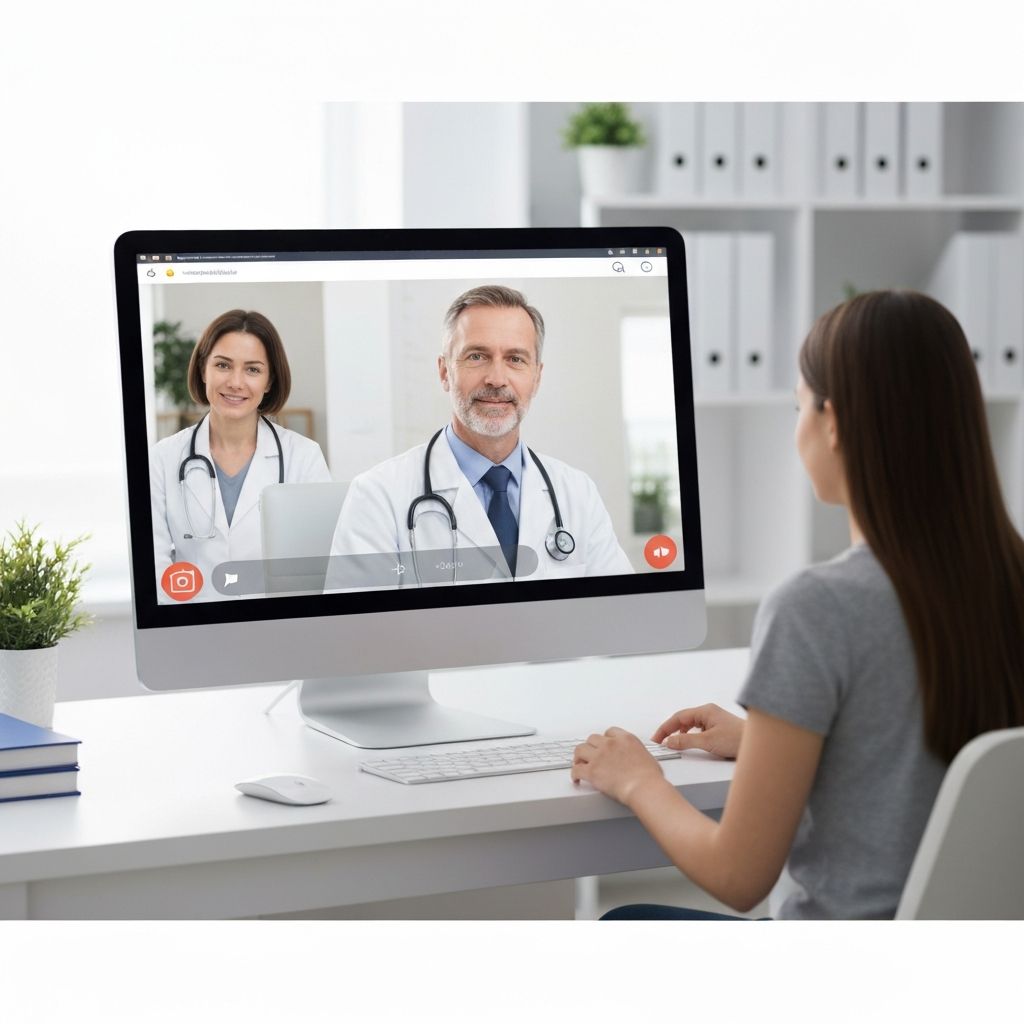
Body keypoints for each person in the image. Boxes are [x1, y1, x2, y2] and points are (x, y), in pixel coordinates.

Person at [572, 290, 1024, 920]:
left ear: (832, 422)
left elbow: (738, 876)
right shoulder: (1008, 578)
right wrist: (775, 743)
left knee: (623, 924)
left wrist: (637, 779)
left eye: (798, 405)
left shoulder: (817, 608)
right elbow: (923, 748)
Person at [329, 285, 633, 586]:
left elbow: (618, 609)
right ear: (444, 372)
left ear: (536, 377)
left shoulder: (578, 493)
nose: (496, 379)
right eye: (476, 356)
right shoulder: (378, 495)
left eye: (515, 359)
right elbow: (357, 618)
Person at [151, 309, 331, 602]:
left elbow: (320, 565)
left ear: (269, 381)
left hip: (279, 623)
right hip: (192, 623)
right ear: (203, 370)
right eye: (223, 365)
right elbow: (155, 568)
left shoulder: (304, 457)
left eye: (253, 370)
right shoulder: (163, 459)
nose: (235, 382)